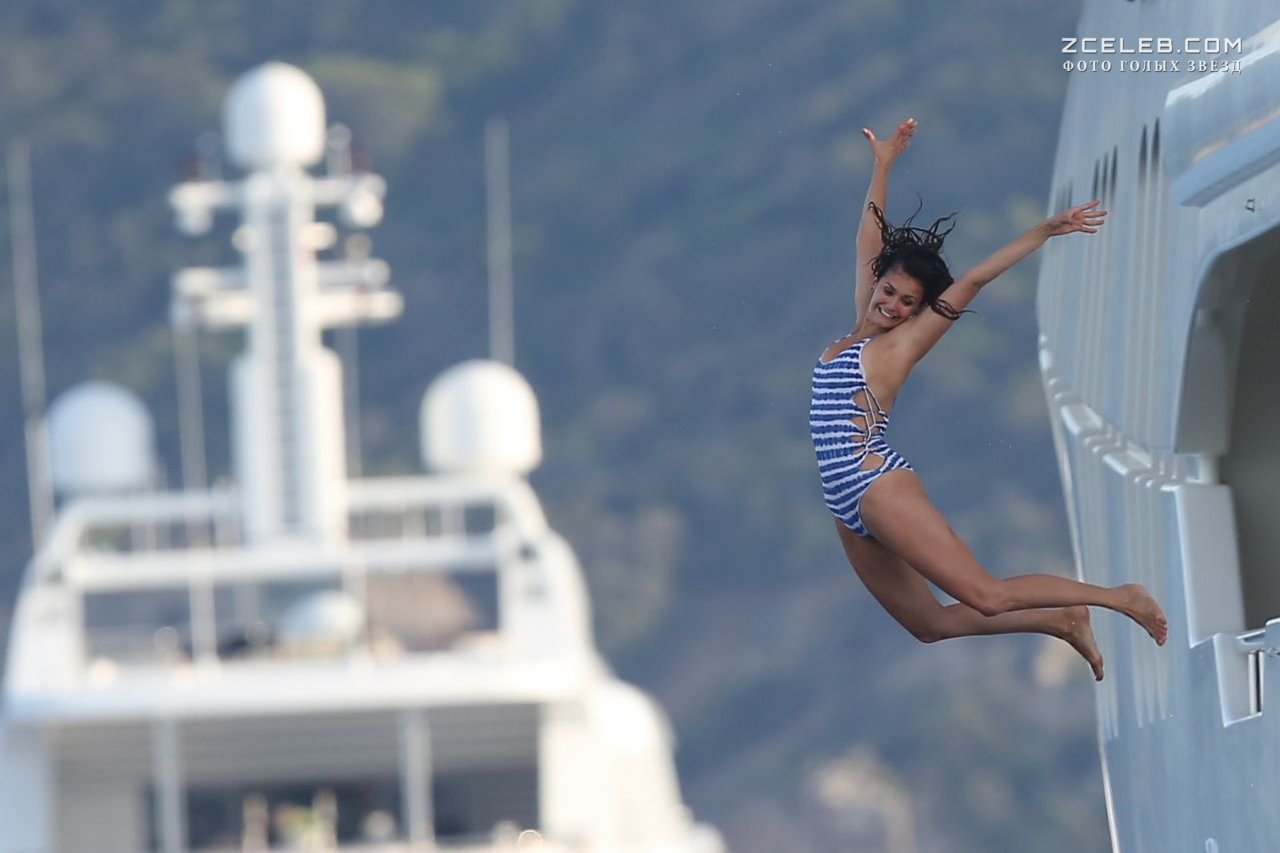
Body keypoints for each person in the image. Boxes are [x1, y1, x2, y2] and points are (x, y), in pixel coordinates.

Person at [810, 118, 1166, 682]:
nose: (892, 305)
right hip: (843, 502)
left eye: (907, 303)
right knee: (929, 624)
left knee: (987, 596)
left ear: (918, 311)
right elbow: (867, 246)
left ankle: (1118, 597)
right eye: (889, 291)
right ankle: (1062, 620)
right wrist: (882, 166)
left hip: (874, 483)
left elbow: (972, 280)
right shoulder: (859, 328)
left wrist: (1043, 232)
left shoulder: (898, 347)